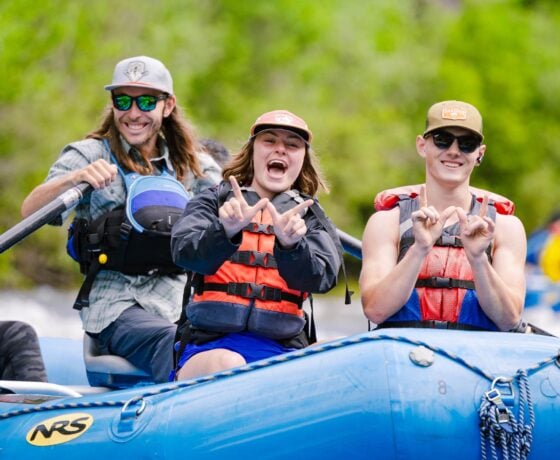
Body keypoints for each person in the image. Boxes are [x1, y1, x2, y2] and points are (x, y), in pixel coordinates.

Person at [20, 56, 222, 382]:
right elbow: (31, 211)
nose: (133, 113)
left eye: (145, 101)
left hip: (181, 303)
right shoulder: (89, 154)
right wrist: (76, 179)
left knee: (226, 339)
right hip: (116, 307)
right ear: (112, 104)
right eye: (122, 100)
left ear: (167, 106)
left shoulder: (193, 164)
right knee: (183, 344)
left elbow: (231, 205)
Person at [170, 109, 342, 379]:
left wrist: (291, 247)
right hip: (211, 346)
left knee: (340, 354)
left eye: (292, 145)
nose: (280, 150)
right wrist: (224, 231)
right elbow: (183, 251)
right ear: (253, 151)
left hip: (282, 349)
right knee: (230, 363)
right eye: (269, 141)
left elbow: (325, 277)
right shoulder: (213, 201)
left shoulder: (309, 216)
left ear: (302, 159)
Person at [359, 100, 526, 332]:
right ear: (422, 145)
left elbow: (509, 320)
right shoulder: (386, 222)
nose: (454, 151)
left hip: (476, 358)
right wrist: (419, 249)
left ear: (480, 153)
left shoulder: (506, 228)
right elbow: (375, 310)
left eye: (467, 144)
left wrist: (478, 259)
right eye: (442, 140)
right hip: (407, 355)